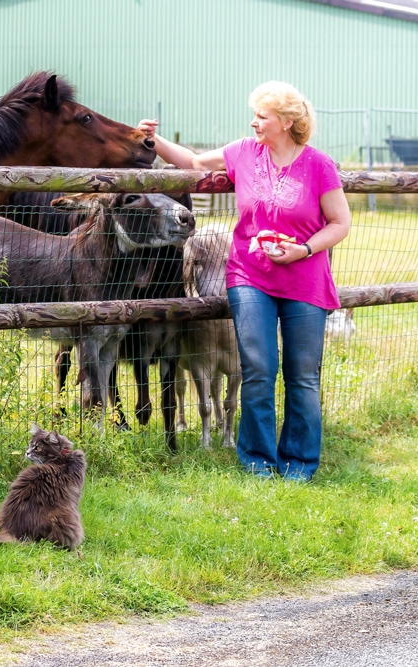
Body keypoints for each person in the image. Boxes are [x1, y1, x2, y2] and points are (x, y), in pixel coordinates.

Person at [138, 81, 351, 481]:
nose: (254, 122)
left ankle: (299, 465)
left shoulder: (319, 165)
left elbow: (341, 223)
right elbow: (195, 163)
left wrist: (303, 249)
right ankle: (257, 462)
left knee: (302, 374)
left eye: (261, 116)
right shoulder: (244, 152)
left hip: (305, 279)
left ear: (286, 122)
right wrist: (154, 139)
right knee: (258, 368)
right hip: (250, 276)